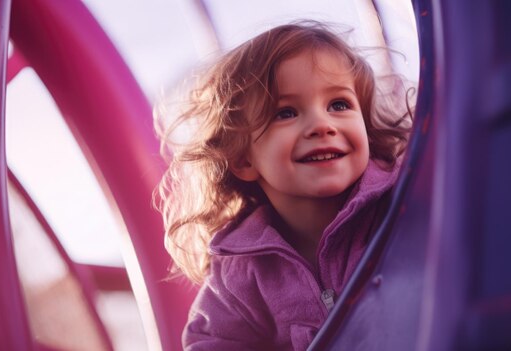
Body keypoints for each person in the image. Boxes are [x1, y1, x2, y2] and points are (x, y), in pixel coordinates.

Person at [155, 21, 413, 350]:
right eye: (286, 112)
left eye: (339, 105)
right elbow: (211, 343)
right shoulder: (241, 272)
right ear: (244, 160)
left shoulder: (402, 201)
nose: (322, 125)